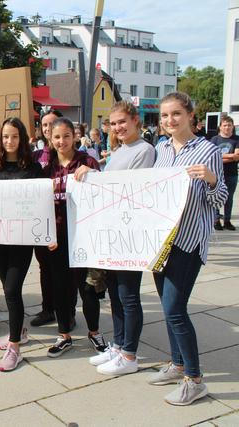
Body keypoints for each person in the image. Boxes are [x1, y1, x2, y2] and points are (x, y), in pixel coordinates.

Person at [147, 92, 228, 406]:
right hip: (160, 241)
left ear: (191, 115)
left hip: (188, 240)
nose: (170, 121)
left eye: (176, 114)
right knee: (169, 310)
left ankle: (194, 379)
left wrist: (210, 180)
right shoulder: (161, 149)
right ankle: (177, 363)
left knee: (175, 310)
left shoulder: (207, 151)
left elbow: (219, 200)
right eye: (165, 116)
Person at [76, 101, 156, 375]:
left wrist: (94, 175)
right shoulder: (120, 151)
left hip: (130, 233)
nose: (118, 127)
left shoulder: (145, 150)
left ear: (136, 121)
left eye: (123, 121)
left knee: (129, 295)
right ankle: (119, 345)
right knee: (116, 295)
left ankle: (130, 354)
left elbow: (128, 187)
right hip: (113, 232)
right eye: (114, 123)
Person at [0, 117, 43, 371]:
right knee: (8, 288)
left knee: (11, 290)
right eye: (5, 136)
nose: (9, 141)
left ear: (23, 138)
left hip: (22, 240)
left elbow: (41, 204)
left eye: (14, 136)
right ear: (0, 138)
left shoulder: (33, 168)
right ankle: (20, 330)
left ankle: (15, 346)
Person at [42, 118, 106, 358]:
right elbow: (40, 204)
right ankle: (64, 335)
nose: (61, 141)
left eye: (66, 136)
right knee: (60, 288)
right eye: (57, 137)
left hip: (82, 237)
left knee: (87, 288)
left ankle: (94, 332)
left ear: (75, 136)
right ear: (51, 138)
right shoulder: (47, 168)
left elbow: (102, 195)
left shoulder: (87, 161)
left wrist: (93, 175)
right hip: (57, 239)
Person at [30, 110, 64, 328]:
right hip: (41, 222)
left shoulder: (70, 154)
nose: (48, 128)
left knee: (63, 271)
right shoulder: (35, 156)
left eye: (53, 124)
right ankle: (47, 309)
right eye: (44, 125)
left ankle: (66, 312)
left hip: (63, 222)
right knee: (44, 268)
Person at [210, 115, 238, 231]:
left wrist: (220, 157)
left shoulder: (237, 139)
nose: (227, 128)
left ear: (232, 127)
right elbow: (212, 156)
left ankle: (227, 220)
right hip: (216, 173)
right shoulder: (214, 140)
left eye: (229, 125)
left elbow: (237, 157)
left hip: (231, 174)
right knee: (215, 196)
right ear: (220, 127)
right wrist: (231, 156)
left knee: (229, 198)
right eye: (225, 125)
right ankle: (216, 220)